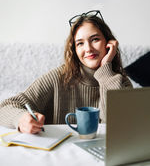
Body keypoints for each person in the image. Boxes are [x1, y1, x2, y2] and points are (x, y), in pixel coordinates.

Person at [0, 10, 132, 133]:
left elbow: (118, 128)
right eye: (80, 43)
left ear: (109, 43)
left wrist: (105, 70)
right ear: (74, 50)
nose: (88, 48)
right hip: (61, 153)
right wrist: (20, 118)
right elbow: (5, 107)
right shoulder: (58, 77)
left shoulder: (121, 83)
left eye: (95, 39)